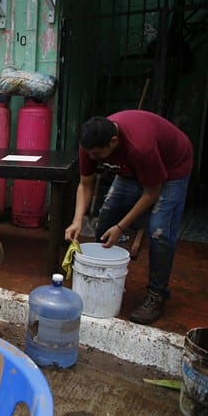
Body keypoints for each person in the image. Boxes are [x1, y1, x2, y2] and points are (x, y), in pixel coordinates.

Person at [65, 111, 193, 325]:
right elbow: (86, 184)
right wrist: (77, 220)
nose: (93, 159)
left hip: (172, 168)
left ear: (113, 141)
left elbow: (152, 191)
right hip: (129, 170)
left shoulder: (140, 147)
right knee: (105, 219)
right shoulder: (90, 144)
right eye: (91, 154)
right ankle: (104, 279)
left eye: (97, 154)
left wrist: (121, 227)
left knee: (159, 231)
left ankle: (157, 294)